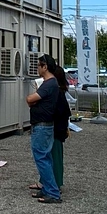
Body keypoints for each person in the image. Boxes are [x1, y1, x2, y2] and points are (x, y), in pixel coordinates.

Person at [26, 54, 62, 204]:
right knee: (45, 158)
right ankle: (48, 189)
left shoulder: (48, 84)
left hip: (42, 126)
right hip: (45, 125)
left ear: (45, 67)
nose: (37, 68)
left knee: (42, 158)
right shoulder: (52, 84)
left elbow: (30, 99)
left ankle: (53, 192)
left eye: (39, 65)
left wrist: (32, 101)